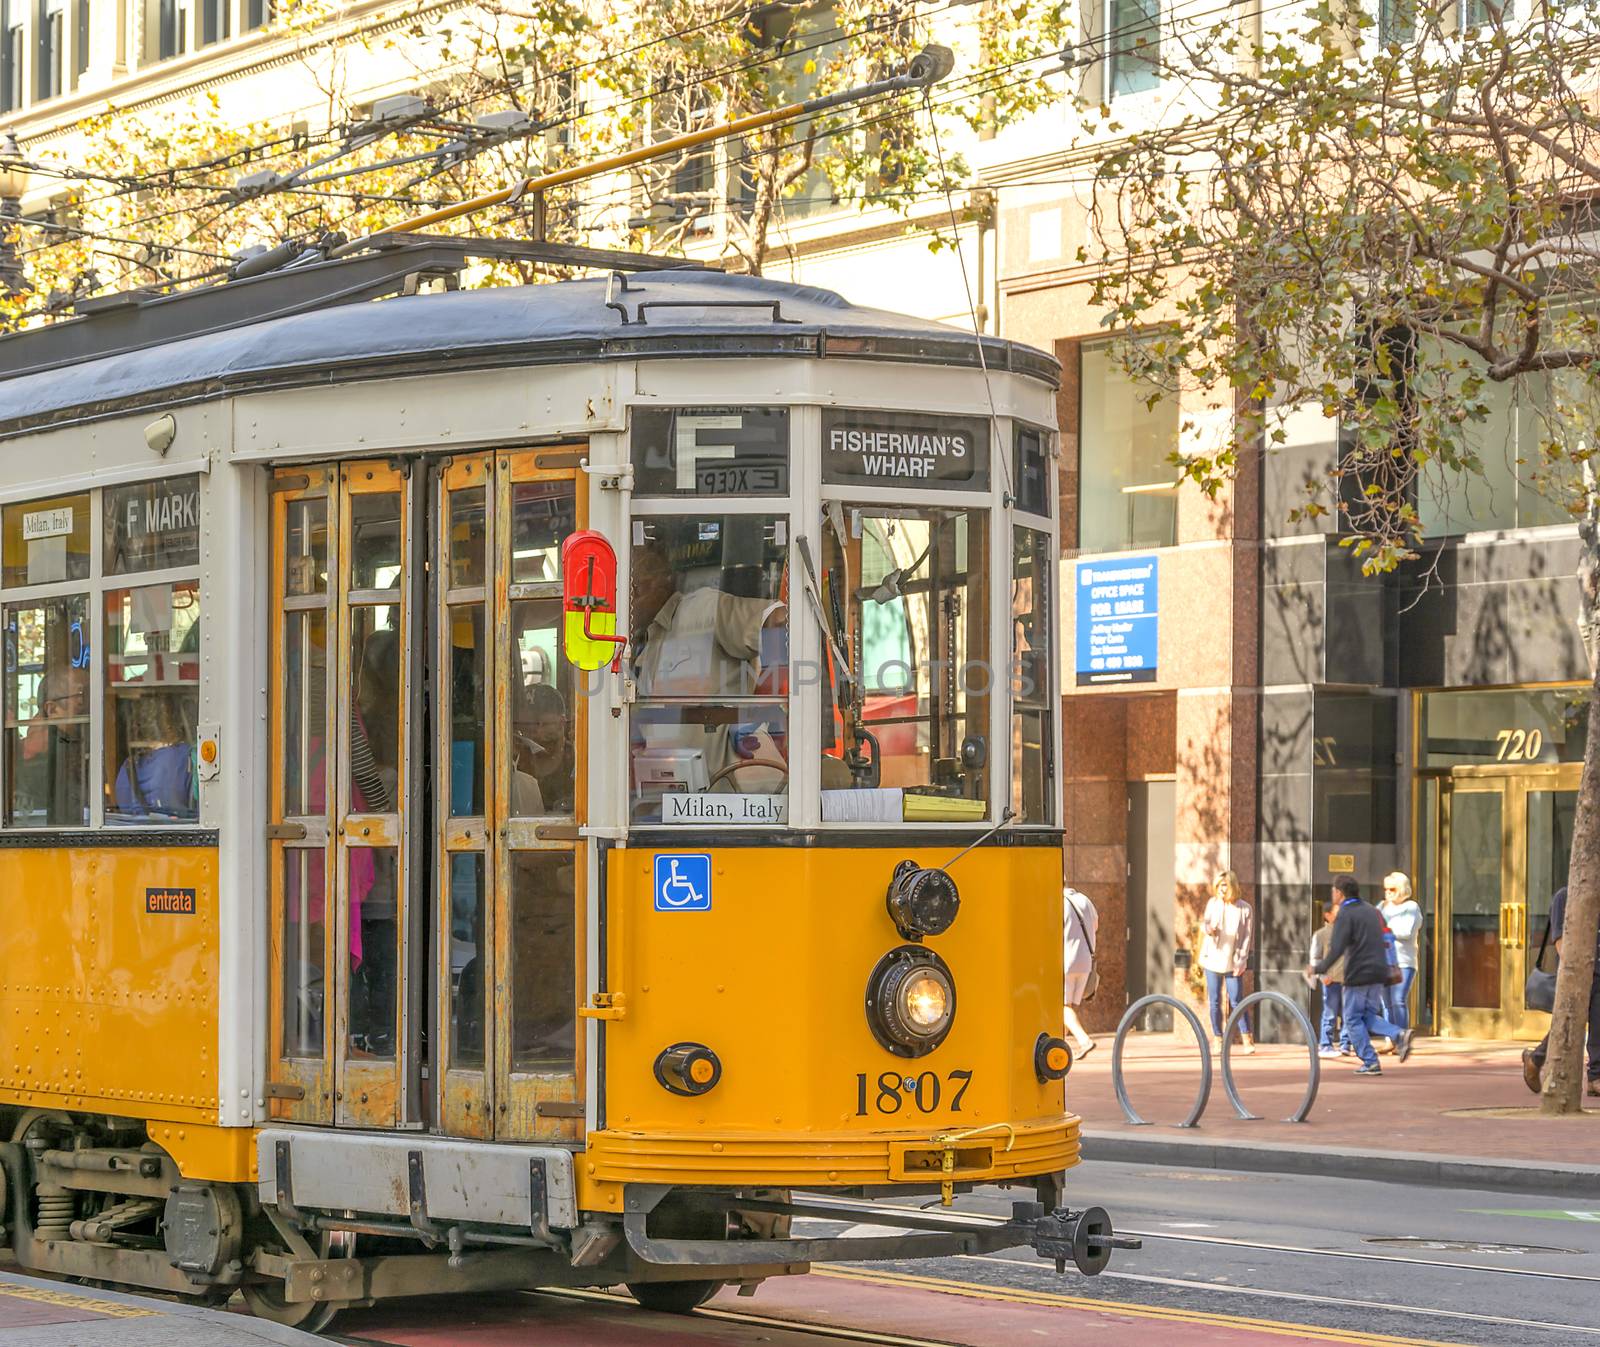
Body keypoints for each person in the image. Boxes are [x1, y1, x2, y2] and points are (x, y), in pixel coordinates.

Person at [1309, 875, 1414, 1075]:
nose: (1332, 894)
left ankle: (1370, 1061)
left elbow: (1337, 948)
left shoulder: (1346, 915)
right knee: (1366, 1015)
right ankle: (1399, 1034)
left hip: (1357, 974)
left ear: (1339, 893)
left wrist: (1319, 967)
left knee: (1352, 1019)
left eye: (1333, 890)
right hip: (1378, 973)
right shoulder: (1374, 911)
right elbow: (1388, 938)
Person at [1523, 886, 1600, 1098]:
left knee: (1598, 1023)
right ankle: (1536, 1059)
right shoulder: (1563, 896)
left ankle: (1595, 1078)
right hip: (1577, 975)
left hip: (1598, 972)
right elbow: (1559, 940)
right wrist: (1574, 971)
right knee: (1569, 1023)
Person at [1199, 870, 1256, 1054]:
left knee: (1237, 1000)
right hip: (1213, 959)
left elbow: (1247, 937)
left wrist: (1242, 960)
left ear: (1232, 886)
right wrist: (1209, 929)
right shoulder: (1213, 904)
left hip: (1233, 961)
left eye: (1224, 885)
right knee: (1214, 1001)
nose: (1221, 889)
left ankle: (1247, 1039)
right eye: (1218, 886)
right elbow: (1204, 924)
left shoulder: (1244, 908)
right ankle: (1218, 1038)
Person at [1307, 894, 1352, 1059]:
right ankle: (1325, 1044)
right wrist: (1321, 975)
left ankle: (1345, 1043)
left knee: (1348, 1013)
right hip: (1331, 980)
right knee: (1330, 1012)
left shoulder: (1348, 933)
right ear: (1328, 915)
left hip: (1347, 979)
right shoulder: (1321, 934)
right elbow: (1315, 957)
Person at [1380, 871, 1423, 1037]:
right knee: (1387, 1003)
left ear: (1401, 889)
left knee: (1398, 1000)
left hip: (1404, 962)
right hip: (1384, 961)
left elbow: (1406, 931)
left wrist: (1384, 930)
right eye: (1386, 889)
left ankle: (1402, 1037)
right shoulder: (1382, 906)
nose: (1388, 892)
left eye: (1392, 889)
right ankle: (1391, 1038)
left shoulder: (1411, 907)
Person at [1062, 885, 1099, 1058]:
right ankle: (1061, 1047)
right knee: (1068, 1006)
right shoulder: (1085, 900)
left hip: (1066, 960)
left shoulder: (1059, 902)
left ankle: (1084, 1040)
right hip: (1085, 961)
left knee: (1061, 1006)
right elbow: (1095, 925)